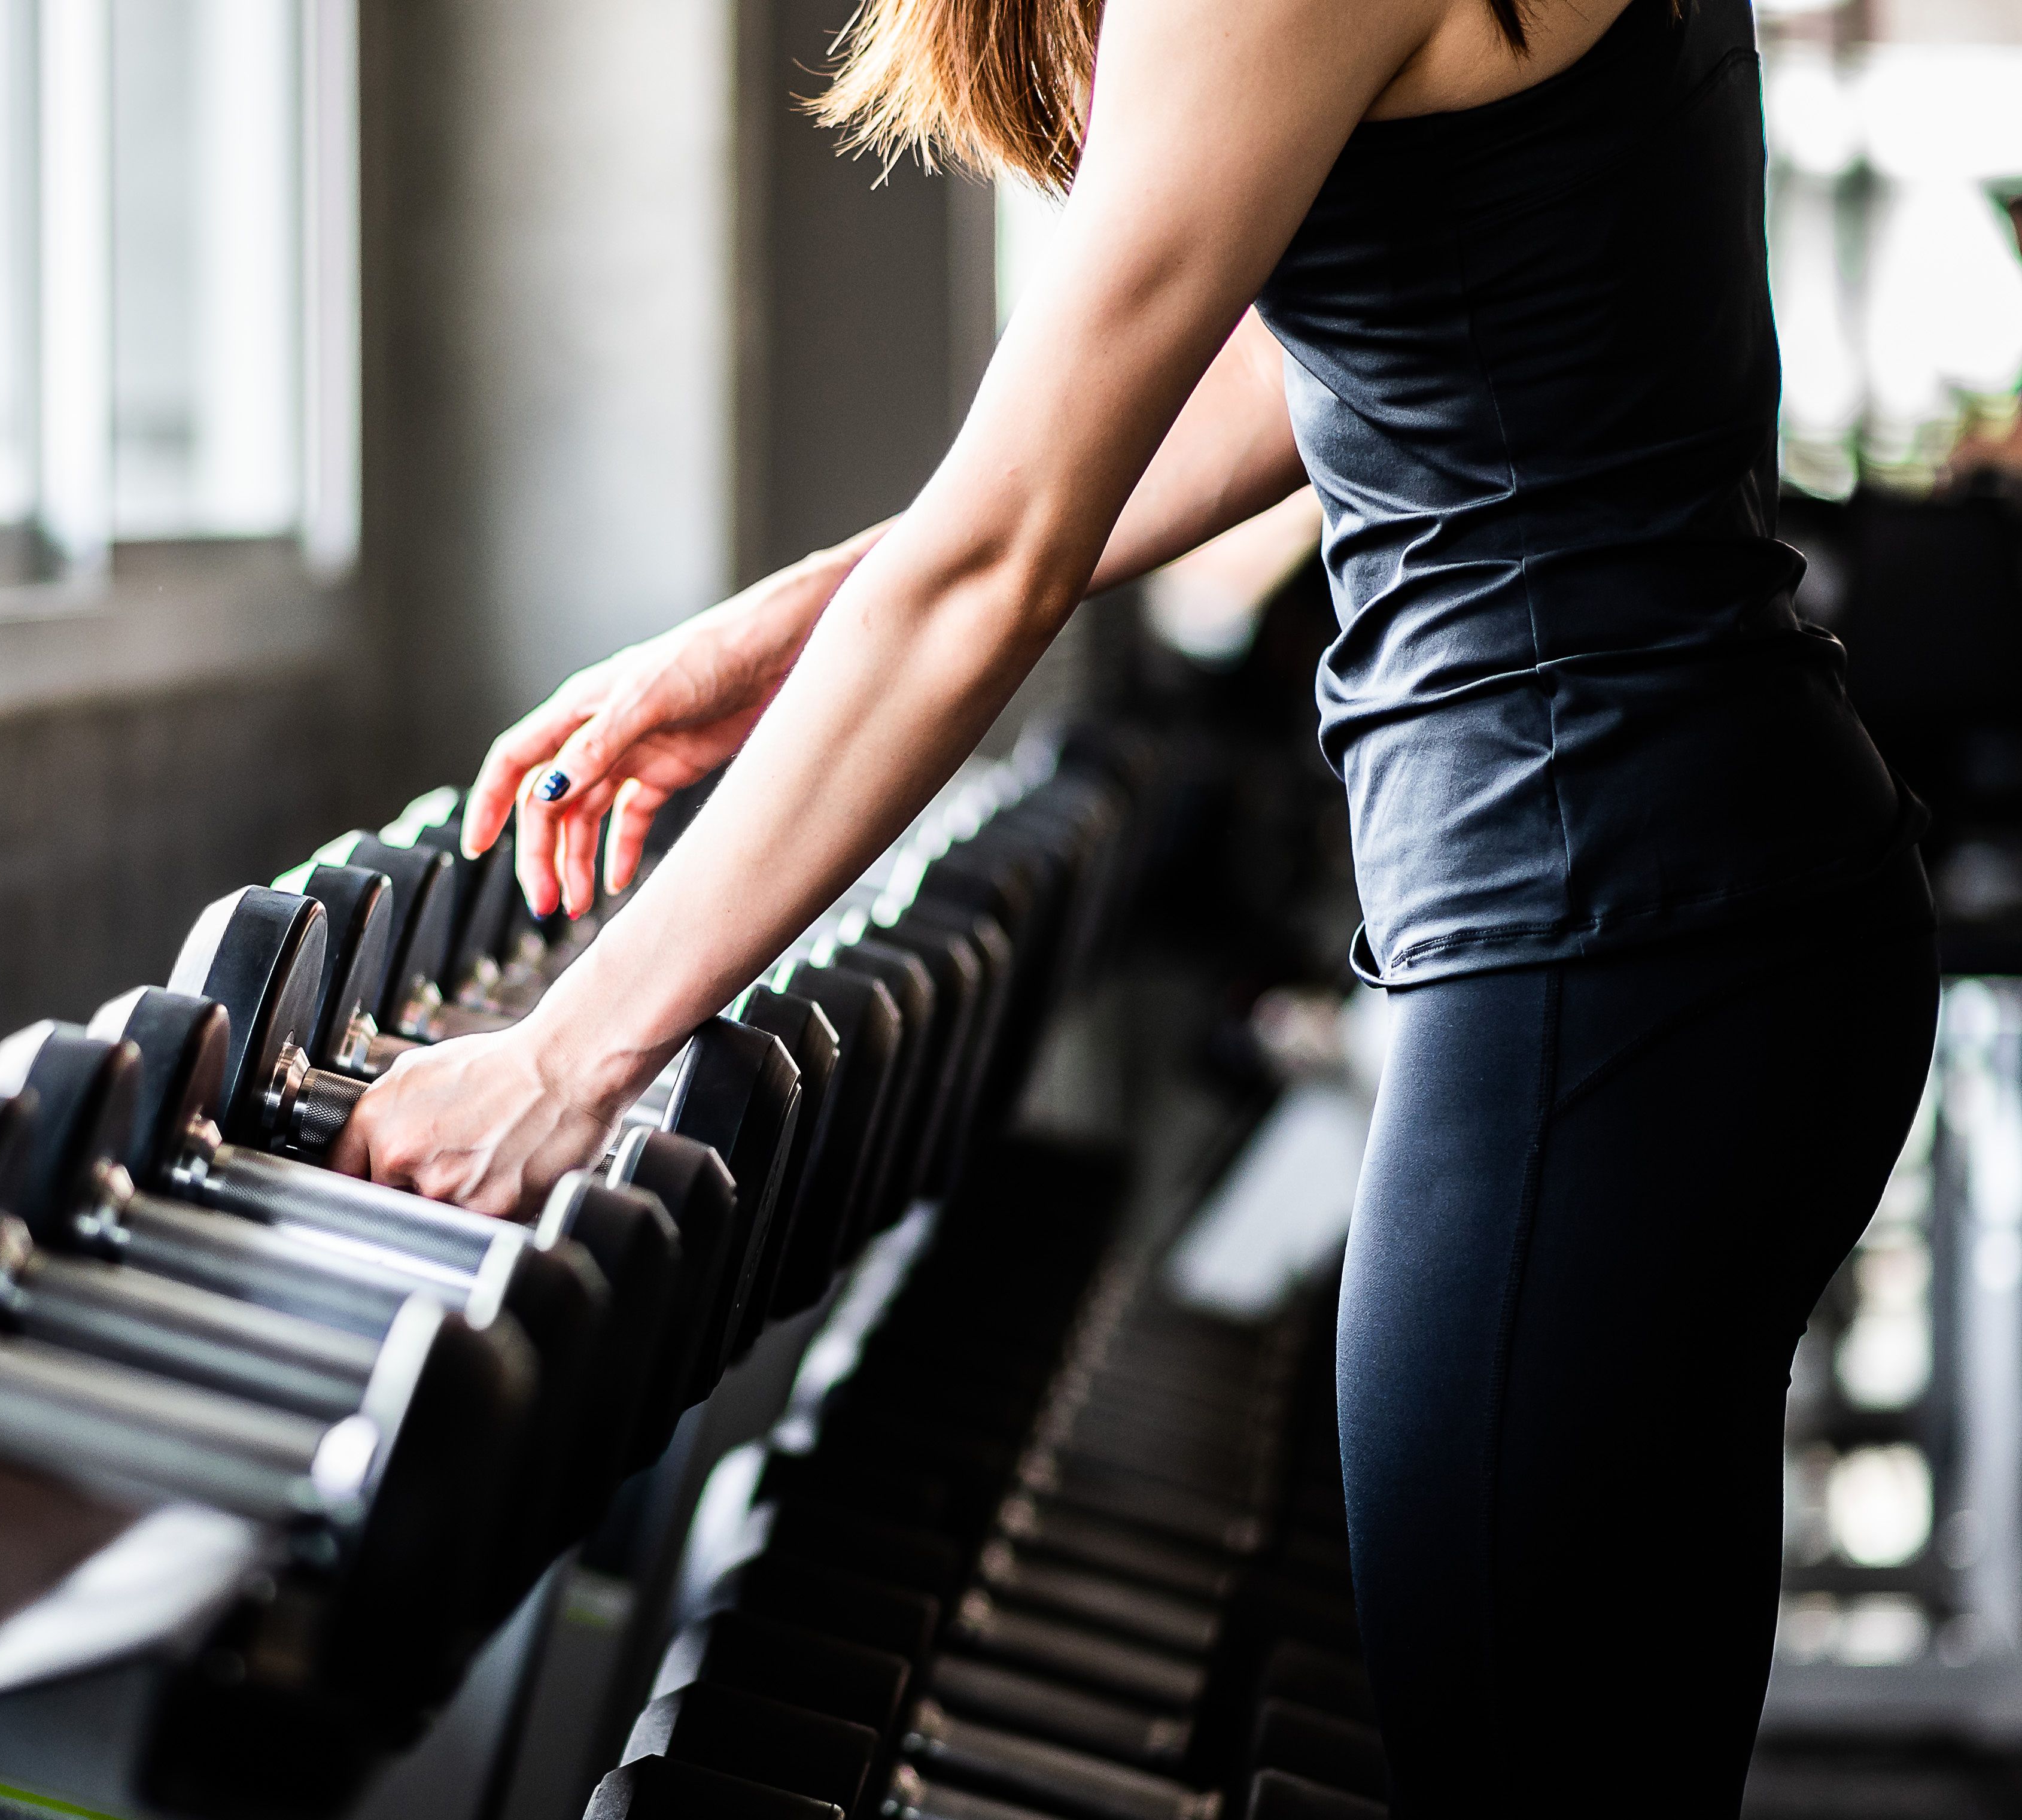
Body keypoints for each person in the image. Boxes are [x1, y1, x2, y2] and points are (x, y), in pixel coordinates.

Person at [330, 0, 1941, 1809]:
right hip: (1721, 910)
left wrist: (569, 1053)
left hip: (1594, 951)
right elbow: (1315, 347)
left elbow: (994, 565)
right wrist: (796, 627)